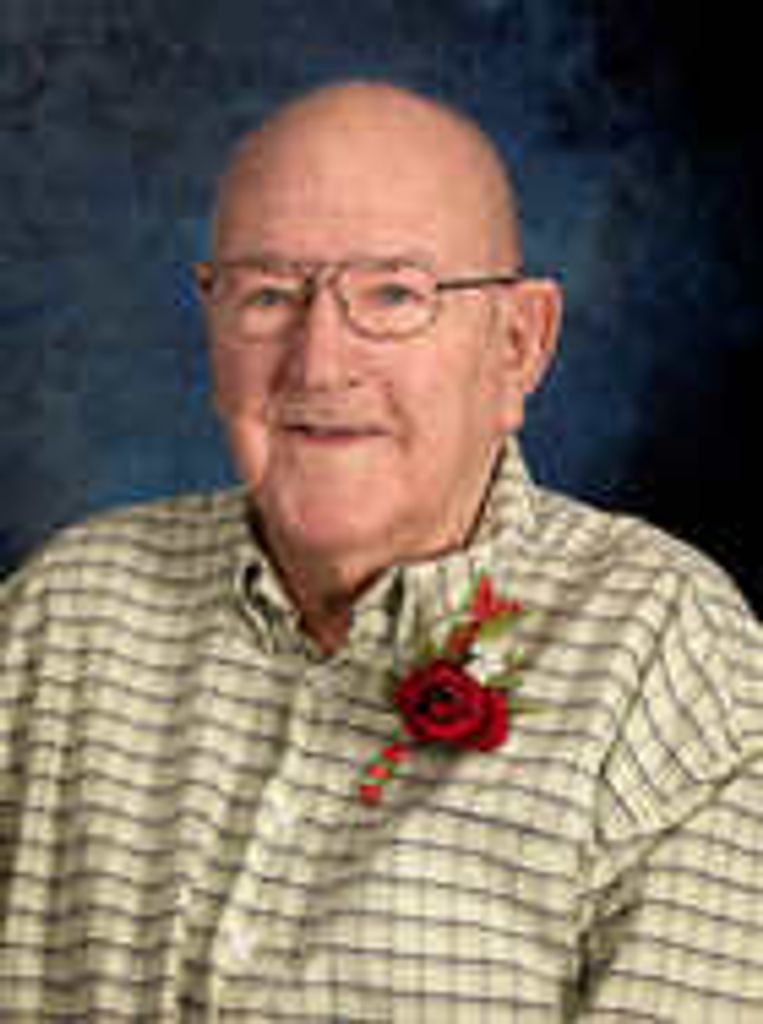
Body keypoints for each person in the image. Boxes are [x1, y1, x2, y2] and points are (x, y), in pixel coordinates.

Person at [1, 80, 762, 1021]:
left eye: (395, 293)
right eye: (268, 294)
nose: (318, 362)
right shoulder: (62, 613)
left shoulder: (665, 654)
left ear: (518, 345)